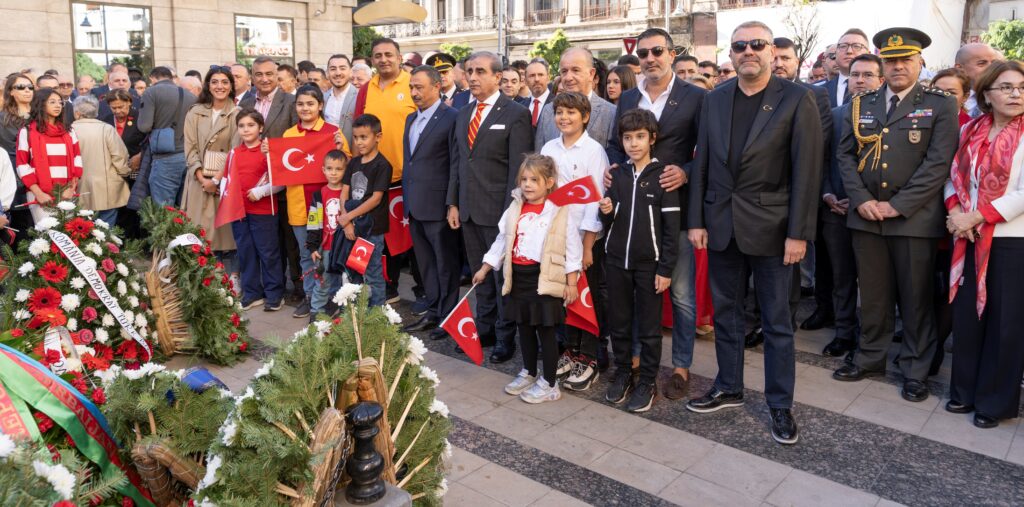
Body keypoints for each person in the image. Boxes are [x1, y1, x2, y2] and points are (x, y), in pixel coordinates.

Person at [687, 21, 823, 445]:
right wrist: (696, 220)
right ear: (731, 54)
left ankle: (780, 404)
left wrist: (799, 234)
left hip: (774, 230)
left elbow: (806, 171)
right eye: (740, 45)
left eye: (757, 44)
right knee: (725, 314)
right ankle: (729, 386)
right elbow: (703, 163)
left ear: (771, 52)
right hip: (721, 225)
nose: (748, 51)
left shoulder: (797, 99)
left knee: (777, 322)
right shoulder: (715, 98)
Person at [832, 28, 959, 404]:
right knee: (872, 294)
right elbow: (845, 156)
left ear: (920, 62)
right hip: (866, 216)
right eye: (891, 60)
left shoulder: (939, 104)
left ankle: (915, 369)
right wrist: (861, 200)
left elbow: (938, 163)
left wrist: (898, 205)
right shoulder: (862, 103)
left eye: (906, 59)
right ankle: (870, 357)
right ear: (882, 64)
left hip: (913, 219)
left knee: (916, 297)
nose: (898, 66)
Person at [608, 27, 705, 401]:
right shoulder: (628, 96)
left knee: (680, 294)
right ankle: (634, 361)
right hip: (635, 211)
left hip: (674, 208)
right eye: (643, 53)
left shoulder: (695, 96)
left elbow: (707, 151)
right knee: (637, 294)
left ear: (671, 53)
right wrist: (613, 167)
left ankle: (680, 366)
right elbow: (617, 144)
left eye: (657, 51)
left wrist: (686, 171)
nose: (650, 58)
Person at [944, 60, 1024, 429]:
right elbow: (953, 176)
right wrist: (956, 211)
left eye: (1021, 87)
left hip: (1011, 240)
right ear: (987, 94)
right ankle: (963, 391)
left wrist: (976, 216)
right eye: (1006, 87)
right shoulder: (971, 129)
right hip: (969, 237)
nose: (1015, 94)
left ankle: (993, 402)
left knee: (1005, 324)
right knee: (967, 318)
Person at [448, 51, 534, 364]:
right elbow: (458, 161)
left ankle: (504, 337)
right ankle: (483, 329)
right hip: (468, 210)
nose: (472, 77)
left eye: (480, 71)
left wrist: (511, 212)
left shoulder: (515, 114)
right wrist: (453, 202)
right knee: (479, 275)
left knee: (501, 279)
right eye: (469, 71)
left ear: (498, 77)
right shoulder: (463, 113)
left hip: (499, 210)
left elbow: (519, 169)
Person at [476, 154, 582, 403]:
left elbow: (572, 248)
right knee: (524, 327)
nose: (527, 184)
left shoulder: (559, 211)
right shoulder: (515, 207)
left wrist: (571, 282)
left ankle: (550, 383)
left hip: (543, 280)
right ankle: (530, 371)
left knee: (546, 331)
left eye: (534, 180)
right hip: (519, 278)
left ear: (549, 182)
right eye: (524, 179)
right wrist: (485, 267)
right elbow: (502, 240)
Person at [600, 109, 679, 412]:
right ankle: (623, 372)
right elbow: (608, 220)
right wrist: (606, 212)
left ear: (652, 139)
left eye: (640, 137)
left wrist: (665, 269)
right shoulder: (617, 175)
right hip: (616, 261)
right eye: (628, 138)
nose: (633, 143)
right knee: (619, 323)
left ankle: (647, 380)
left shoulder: (663, 176)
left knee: (648, 328)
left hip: (650, 265)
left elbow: (671, 229)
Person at [540, 92, 608, 391]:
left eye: (571, 112)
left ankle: (589, 357)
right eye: (560, 112)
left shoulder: (594, 151)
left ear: (585, 116)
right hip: (557, 237)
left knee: (586, 296)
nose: (564, 118)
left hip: (583, 239)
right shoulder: (549, 147)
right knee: (563, 296)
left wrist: (588, 246)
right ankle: (570, 350)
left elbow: (595, 201)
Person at [819, 53, 884, 358]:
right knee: (842, 278)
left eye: (868, 75)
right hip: (838, 210)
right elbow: (820, 159)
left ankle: (871, 337)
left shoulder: (892, 116)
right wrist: (827, 194)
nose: (860, 80)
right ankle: (844, 332)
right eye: (855, 75)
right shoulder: (834, 115)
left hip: (875, 212)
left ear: (881, 80)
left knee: (873, 282)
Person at [772, 36, 835, 334]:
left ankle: (784, 322)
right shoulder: (751, 93)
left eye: (785, 58)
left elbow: (816, 146)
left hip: (797, 192)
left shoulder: (813, 94)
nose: (778, 63)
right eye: (774, 57)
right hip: (760, 197)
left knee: (791, 264)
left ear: (797, 61)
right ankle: (764, 320)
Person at [354, 37, 419, 305]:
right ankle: (387, 287)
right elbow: (358, 128)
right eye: (378, 55)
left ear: (399, 57)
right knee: (381, 234)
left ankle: (422, 291)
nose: (383, 59)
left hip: (409, 175)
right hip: (376, 176)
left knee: (413, 237)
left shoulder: (412, 83)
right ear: (372, 60)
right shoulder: (365, 89)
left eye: (389, 54)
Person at [275, 85, 348, 318]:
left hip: (329, 207)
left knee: (330, 253)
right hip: (299, 206)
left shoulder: (333, 131)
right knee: (307, 255)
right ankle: (310, 297)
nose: (305, 108)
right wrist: (270, 152)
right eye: (300, 104)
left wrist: (341, 148)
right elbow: (281, 167)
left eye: (310, 103)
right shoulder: (288, 135)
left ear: (320, 105)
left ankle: (331, 297)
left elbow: (346, 163)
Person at [400, 65, 460, 338]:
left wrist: (452, 203)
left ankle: (448, 317)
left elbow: (455, 163)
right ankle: (434, 311)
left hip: (439, 207)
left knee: (446, 265)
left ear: (437, 86)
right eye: (411, 87)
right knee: (426, 265)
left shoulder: (452, 117)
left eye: (419, 87)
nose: (414, 92)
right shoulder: (410, 119)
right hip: (415, 205)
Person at [239, 56, 302, 307]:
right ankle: (266, 288)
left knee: (289, 241)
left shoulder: (290, 102)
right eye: (259, 74)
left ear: (278, 75)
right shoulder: (246, 102)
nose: (264, 79)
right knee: (263, 243)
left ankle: (297, 288)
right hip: (253, 185)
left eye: (269, 74)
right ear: (252, 77)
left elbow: (297, 141)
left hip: (282, 183)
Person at [182, 66, 239, 283]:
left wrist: (216, 180)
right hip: (198, 181)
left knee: (226, 237)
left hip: (224, 182)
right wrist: (201, 177)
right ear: (208, 85)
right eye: (215, 82)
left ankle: (229, 280)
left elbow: (235, 151)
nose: (219, 86)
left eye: (225, 82)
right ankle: (202, 281)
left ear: (231, 86)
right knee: (200, 235)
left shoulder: (237, 113)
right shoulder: (194, 112)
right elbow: (190, 147)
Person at [227, 109, 284, 311]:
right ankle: (252, 293)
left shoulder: (268, 151)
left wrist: (261, 192)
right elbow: (228, 180)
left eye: (251, 125)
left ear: (261, 127)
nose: (246, 129)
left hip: (263, 211)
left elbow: (281, 181)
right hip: (240, 212)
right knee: (246, 252)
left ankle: (274, 294)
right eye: (241, 126)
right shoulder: (234, 153)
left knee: (268, 253)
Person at [340, 114, 391, 306]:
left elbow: (375, 199)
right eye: (355, 137)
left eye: (364, 137)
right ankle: (358, 314)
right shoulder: (353, 163)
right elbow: (344, 193)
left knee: (372, 273)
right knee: (354, 272)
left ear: (378, 137)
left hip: (371, 230)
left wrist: (348, 217)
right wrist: (347, 222)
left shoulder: (382, 165)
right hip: (352, 228)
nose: (359, 142)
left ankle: (377, 314)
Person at [16, 87, 83, 222]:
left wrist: (71, 188)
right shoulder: (27, 131)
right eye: (52, 102)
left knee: (68, 232)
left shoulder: (69, 131)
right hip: (39, 194)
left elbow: (77, 159)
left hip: (67, 192)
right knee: (47, 232)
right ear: (40, 104)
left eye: (60, 102)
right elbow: (22, 165)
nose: (58, 105)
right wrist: (38, 193)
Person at [138, 66, 197, 206]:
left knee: (163, 209)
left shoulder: (151, 92)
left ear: (152, 78)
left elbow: (144, 126)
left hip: (165, 157)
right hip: (189, 156)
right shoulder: (190, 96)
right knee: (185, 206)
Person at [535, 47, 616, 148]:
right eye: (564, 71)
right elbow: (539, 154)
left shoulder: (611, 113)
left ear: (591, 74)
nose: (568, 77)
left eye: (575, 70)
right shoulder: (548, 111)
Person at [71, 94, 130, 225]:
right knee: (106, 229)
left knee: (80, 228)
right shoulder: (107, 128)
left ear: (76, 113)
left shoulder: (68, 130)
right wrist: (125, 174)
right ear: (96, 111)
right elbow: (120, 157)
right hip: (107, 187)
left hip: (77, 187)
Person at [305, 150, 349, 320]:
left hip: (345, 247)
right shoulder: (318, 195)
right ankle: (317, 313)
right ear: (323, 169)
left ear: (345, 170)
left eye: (338, 169)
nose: (333, 173)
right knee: (323, 282)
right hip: (326, 248)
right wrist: (313, 247)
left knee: (347, 281)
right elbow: (313, 222)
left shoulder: (349, 193)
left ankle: (347, 314)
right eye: (330, 168)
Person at [105, 88, 146, 238]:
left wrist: (140, 156)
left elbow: (149, 140)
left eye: (121, 107)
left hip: (136, 170)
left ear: (129, 102)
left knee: (134, 207)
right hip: (115, 172)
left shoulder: (140, 117)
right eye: (113, 108)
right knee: (120, 206)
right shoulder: (106, 120)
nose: (117, 111)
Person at [1, 73, 34, 242]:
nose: (27, 90)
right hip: (17, 183)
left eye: (30, 87)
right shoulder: (3, 119)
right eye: (21, 87)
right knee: (22, 233)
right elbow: (10, 152)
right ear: (11, 92)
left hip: (45, 181)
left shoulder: (40, 115)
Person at [823, 29, 870, 108]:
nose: (849, 51)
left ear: (868, 54)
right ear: (836, 53)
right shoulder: (820, 91)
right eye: (843, 46)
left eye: (857, 46)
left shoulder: (881, 88)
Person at [954, 43, 1002, 117]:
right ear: (960, 68)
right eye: (982, 63)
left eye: (994, 63)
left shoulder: (1006, 97)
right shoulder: (947, 96)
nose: (991, 68)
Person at [324, 54, 357, 146]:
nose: (338, 73)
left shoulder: (360, 97)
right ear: (327, 73)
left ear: (351, 72)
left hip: (351, 152)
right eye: (333, 69)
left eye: (342, 68)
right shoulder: (323, 98)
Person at [524, 60, 553, 126]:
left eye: (540, 75)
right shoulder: (521, 106)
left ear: (548, 78)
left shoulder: (558, 104)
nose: (537, 79)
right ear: (525, 81)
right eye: (532, 75)